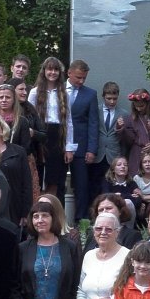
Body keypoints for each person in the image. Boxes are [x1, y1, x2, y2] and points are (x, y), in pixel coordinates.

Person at [0, 115, 35, 227]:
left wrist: (25, 212)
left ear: (2, 129)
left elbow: (27, 183)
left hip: (14, 206)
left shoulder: (18, 151)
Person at [65, 59, 99, 221]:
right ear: (69, 73)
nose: (81, 81)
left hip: (81, 146)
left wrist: (91, 149)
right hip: (59, 144)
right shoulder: (57, 91)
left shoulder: (90, 94)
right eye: (78, 77)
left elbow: (93, 122)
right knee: (57, 184)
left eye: (84, 78)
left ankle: (81, 223)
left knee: (82, 186)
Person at [32, 58, 69, 197]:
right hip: (41, 135)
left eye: (56, 69)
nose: (52, 72)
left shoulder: (65, 93)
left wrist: (69, 147)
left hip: (58, 136)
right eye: (49, 69)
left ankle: (54, 210)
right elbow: (30, 117)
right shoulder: (35, 92)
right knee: (41, 174)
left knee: (55, 177)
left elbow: (69, 121)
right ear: (44, 71)